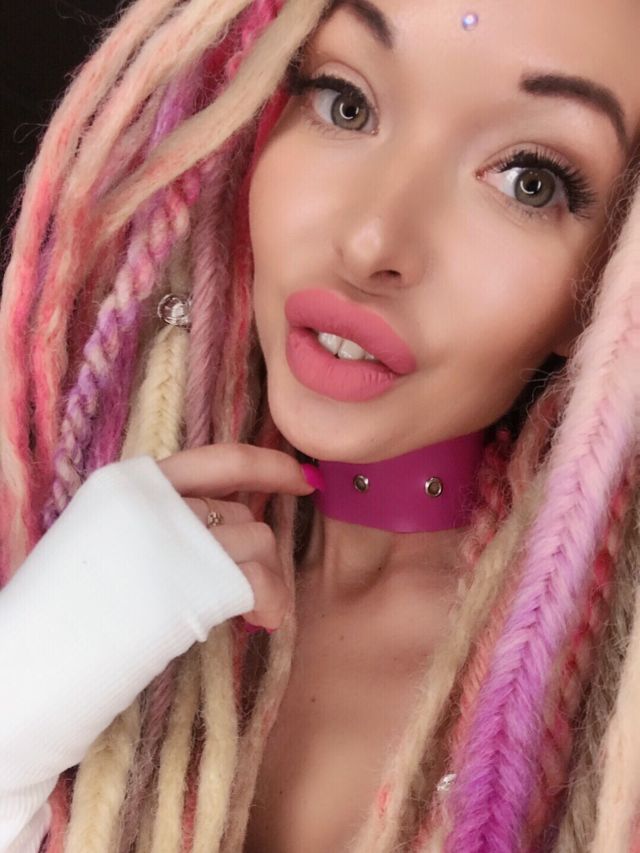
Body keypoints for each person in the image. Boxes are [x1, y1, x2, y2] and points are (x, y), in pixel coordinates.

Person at [0, 0, 639, 850]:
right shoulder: (43, 526)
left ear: (613, 279)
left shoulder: (616, 709)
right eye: (345, 102)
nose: (372, 241)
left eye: (530, 180)